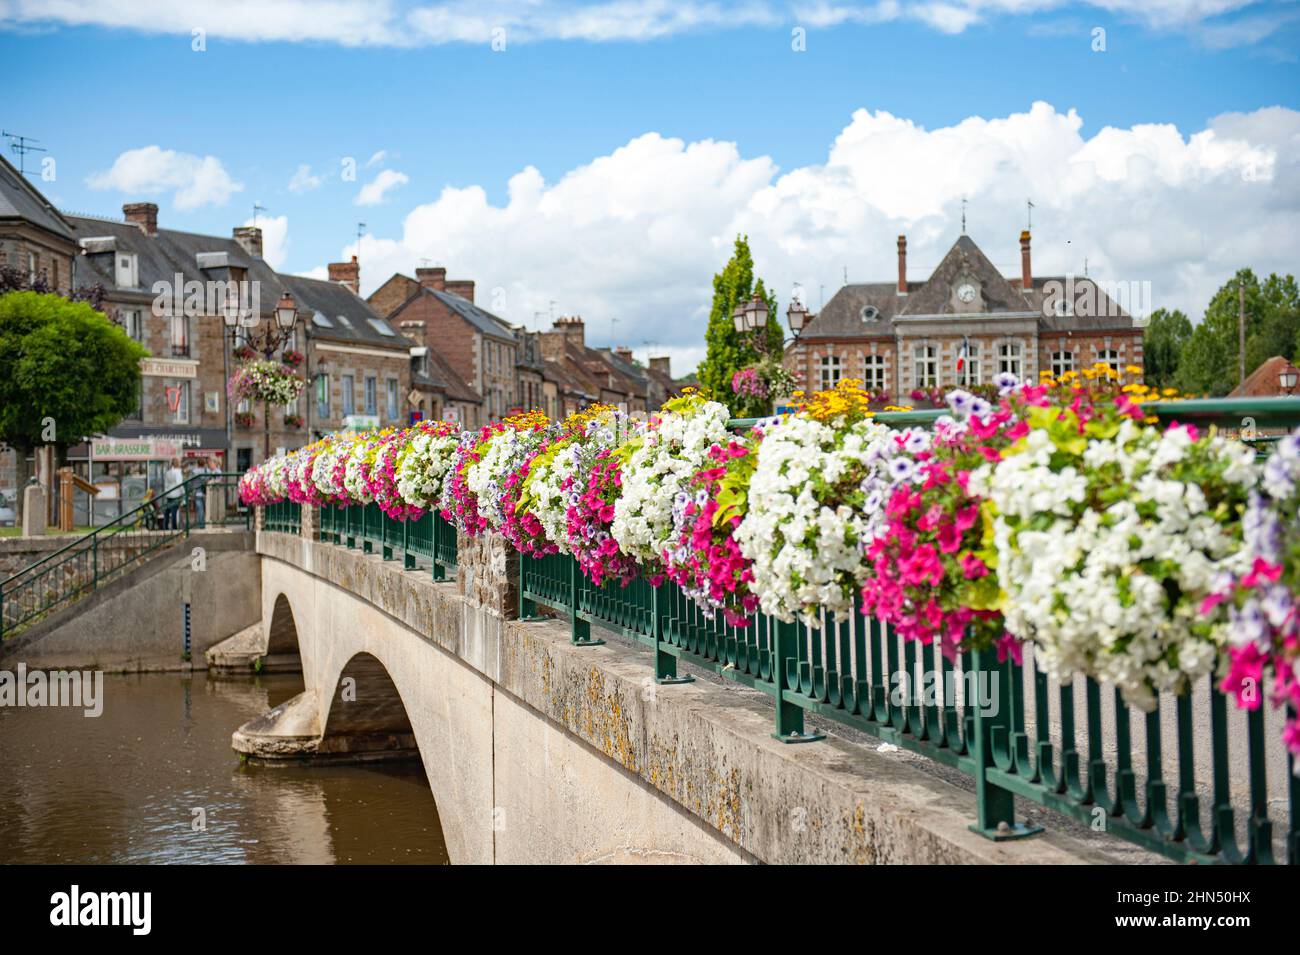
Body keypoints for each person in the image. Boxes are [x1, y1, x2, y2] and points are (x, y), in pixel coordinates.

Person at [161, 458, 184, 530]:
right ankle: (174, 528)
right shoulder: (178, 472)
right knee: (174, 512)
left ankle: (166, 527)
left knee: (167, 512)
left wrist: (166, 491)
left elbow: (166, 484)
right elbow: (179, 483)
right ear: (178, 463)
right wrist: (183, 492)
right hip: (176, 494)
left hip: (169, 494)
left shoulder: (168, 473)